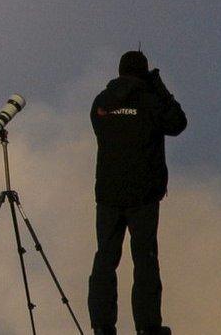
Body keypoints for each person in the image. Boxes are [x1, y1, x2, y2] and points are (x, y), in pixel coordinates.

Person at [88, 51, 187, 335]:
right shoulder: (150, 101)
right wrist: (159, 87)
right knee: (144, 259)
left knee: (105, 259)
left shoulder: (101, 102)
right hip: (143, 195)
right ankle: (147, 326)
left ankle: (102, 326)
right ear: (143, 73)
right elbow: (178, 123)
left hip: (108, 194)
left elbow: (103, 130)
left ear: (119, 71)